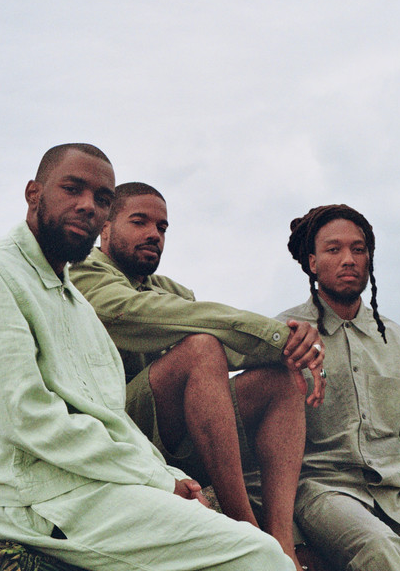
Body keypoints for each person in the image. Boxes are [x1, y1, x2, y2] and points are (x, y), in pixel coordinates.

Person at [0, 144, 297, 571]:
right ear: (34, 194)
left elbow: (111, 416)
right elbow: (27, 418)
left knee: (247, 545)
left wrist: (170, 477)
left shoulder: (73, 301)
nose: (88, 206)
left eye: (102, 198)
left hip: (99, 485)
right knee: (260, 556)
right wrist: (156, 478)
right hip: (38, 500)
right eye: (72, 189)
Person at [69, 182, 326, 570]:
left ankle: (282, 545)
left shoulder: (172, 291)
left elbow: (224, 347)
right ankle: (248, 535)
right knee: (201, 347)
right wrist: (273, 336)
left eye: (162, 228)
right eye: (139, 222)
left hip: (174, 439)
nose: (154, 234)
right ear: (105, 227)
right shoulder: (84, 274)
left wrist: (291, 349)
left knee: (281, 379)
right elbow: (140, 317)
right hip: (114, 436)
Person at [247, 203, 400, 570]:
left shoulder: (399, 341)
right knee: (383, 549)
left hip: (399, 499)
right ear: (313, 262)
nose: (348, 259)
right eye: (334, 249)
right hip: (322, 494)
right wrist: (291, 540)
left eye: (358, 249)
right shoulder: (284, 335)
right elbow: (255, 454)